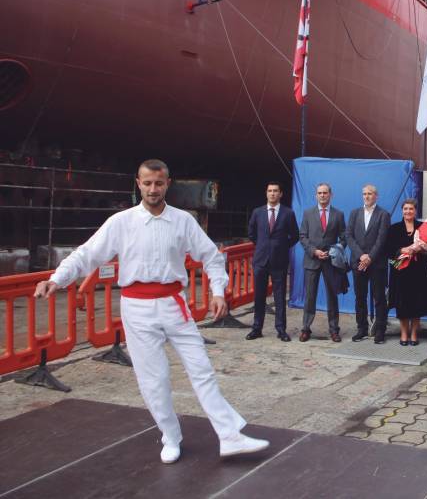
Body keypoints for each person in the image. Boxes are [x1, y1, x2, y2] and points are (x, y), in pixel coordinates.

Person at [33, 159, 269, 464]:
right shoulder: (121, 222)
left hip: (174, 304)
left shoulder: (183, 221)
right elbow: (87, 254)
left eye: (159, 183)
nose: (153, 189)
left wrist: (217, 291)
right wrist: (56, 279)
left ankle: (229, 436)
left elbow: (211, 256)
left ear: (168, 184)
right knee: (153, 380)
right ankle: (170, 436)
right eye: (147, 183)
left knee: (202, 370)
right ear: (138, 183)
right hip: (137, 308)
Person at [247, 181, 300, 342]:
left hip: (280, 260)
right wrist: (264, 247)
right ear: (266, 193)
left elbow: (295, 236)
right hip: (261, 260)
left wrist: (282, 247)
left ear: (280, 194)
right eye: (270, 191)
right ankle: (257, 328)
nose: (272, 193)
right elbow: (251, 234)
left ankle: (281, 329)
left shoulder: (288, 213)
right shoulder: (257, 212)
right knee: (259, 296)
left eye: (275, 191)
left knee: (279, 296)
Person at [298, 183, 347, 342]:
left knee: (332, 297)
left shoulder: (338, 215)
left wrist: (333, 251)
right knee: (310, 297)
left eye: (325, 193)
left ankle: (334, 330)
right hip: (312, 260)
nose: (322, 195)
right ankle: (306, 329)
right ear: (316, 195)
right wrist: (314, 251)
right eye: (320, 193)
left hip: (330, 262)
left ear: (331, 195)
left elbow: (344, 238)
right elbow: (303, 236)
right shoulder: (308, 213)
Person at [386, 199, 427, 346]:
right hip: (400, 273)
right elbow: (388, 250)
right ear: (402, 211)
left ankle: (414, 333)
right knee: (402, 304)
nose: (408, 211)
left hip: (419, 272)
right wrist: (401, 250)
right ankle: (403, 333)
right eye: (405, 209)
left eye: (411, 209)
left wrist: (422, 249)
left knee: (417, 303)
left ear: (415, 211)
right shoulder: (394, 228)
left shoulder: (423, 227)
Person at [346, 185, 391, 344]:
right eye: (364, 194)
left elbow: (381, 239)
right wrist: (361, 256)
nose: (366, 196)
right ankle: (362, 329)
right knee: (360, 297)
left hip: (377, 263)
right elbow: (349, 236)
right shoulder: (354, 213)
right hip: (358, 262)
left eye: (370, 194)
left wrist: (370, 257)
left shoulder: (383, 214)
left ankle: (380, 330)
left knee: (379, 298)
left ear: (376, 196)